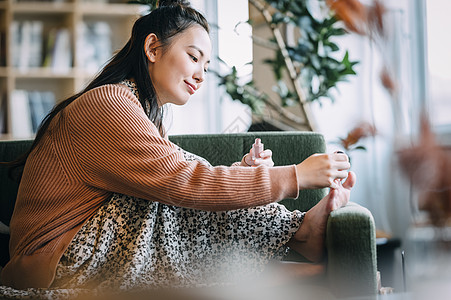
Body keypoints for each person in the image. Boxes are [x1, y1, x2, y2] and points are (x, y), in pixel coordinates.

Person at [0, 0, 355, 294]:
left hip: (82, 252)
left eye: (206, 64)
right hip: (54, 265)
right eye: (193, 56)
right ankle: (300, 235)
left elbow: (180, 177)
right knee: (166, 200)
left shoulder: (140, 110)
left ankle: (297, 243)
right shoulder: (109, 104)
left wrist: (238, 176)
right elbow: (183, 181)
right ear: (153, 48)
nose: (201, 74)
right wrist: (295, 176)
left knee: (175, 194)